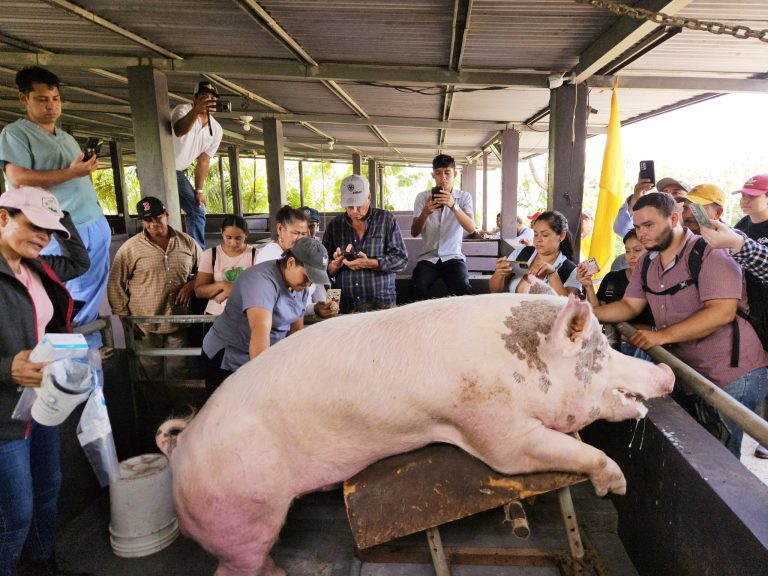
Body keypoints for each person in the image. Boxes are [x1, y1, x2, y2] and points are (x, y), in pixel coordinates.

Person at [592, 192, 768, 459]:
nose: (641, 234)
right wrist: (590, 314)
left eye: (649, 225)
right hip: (688, 370)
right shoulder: (648, 261)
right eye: (638, 227)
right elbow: (630, 305)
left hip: (731, 373)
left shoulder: (710, 251)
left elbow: (721, 312)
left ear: (674, 218)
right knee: (693, 451)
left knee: (719, 460)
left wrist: (660, 336)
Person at [0, 187, 90, 576]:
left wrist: (58, 212)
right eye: (35, 225)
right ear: (3, 218)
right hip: (4, 415)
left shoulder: (36, 266)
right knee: (15, 513)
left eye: (49, 231)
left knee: (48, 489)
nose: (43, 237)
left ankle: (42, 566)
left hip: (41, 402)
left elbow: (80, 259)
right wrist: (6, 368)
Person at [0, 66, 111, 349]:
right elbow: (18, 179)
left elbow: (73, 174)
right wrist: (72, 173)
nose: (51, 106)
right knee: (65, 292)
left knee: (92, 293)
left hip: (92, 221)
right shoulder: (15, 134)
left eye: (55, 98)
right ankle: (73, 350)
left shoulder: (65, 136)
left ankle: (90, 344)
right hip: (56, 229)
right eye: (41, 99)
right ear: (24, 99)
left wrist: (83, 169)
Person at [201, 236, 330, 395]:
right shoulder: (260, 280)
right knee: (227, 412)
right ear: (290, 263)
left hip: (264, 357)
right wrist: (263, 381)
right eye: (308, 276)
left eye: (313, 280)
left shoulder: (299, 286)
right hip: (229, 357)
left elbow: (296, 329)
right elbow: (260, 328)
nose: (309, 284)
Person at [107, 197, 202, 382]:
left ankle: (181, 410)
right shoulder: (130, 249)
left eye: (158, 217)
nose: (153, 224)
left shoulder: (187, 243)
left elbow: (207, 270)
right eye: (148, 220)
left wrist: (192, 284)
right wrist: (125, 317)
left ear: (166, 214)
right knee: (150, 372)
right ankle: (156, 410)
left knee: (179, 370)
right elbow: (115, 283)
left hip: (178, 319)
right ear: (142, 222)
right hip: (144, 323)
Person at [323, 175, 408, 313]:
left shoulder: (386, 220)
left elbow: (401, 260)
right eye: (349, 206)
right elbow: (322, 268)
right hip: (346, 305)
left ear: (369, 198)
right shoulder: (334, 225)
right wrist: (333, 266)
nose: (354, 210)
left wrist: (370, 263)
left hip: (381, 304)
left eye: (359, 204)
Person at [732, 174, 768, 459]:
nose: (745, 200)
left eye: (752, 195)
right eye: (743, 195)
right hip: (751, 313)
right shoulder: (742, 225)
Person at [576, 229, 655, 357]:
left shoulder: (658, 282)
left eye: (637, 250)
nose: (631, 256)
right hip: (613, 350)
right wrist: (588, 286)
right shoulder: (612, 278)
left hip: (649, 352)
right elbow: (599, 312)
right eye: (627, 251)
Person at [410, 154, 475, 300]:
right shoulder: (422, 197)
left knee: (463, 288)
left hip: (453, 257)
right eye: (438, 173)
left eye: (447, 173)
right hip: (428, 258)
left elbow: (471, 228)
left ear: (455, 174)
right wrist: (425, 213)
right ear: (433, 175)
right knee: (416, 287)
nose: (443, 177)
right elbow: (414, 232)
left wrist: (454, 206)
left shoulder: (464, 197)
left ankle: (464, 321)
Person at [171, 80, 224, 250]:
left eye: (211, 98)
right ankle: (196, 253)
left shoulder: (216, 129)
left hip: (178, 172)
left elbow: (204, 160)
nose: (208, 100)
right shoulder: (183, 110)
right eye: (203, 97)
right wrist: (196, 110)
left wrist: (198, 190)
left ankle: (196, 254)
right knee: (160, 212)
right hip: (161, 166)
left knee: (198, 209)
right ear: (194, 98)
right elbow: (179, 130)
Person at [259, 205, 336, 319]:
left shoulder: (301, 254)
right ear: (280, 229)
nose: (300, 239)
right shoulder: (272, 256)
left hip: (301, 319)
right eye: (295, 233)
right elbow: (282, 308)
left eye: (304, 234)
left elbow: (302, 301)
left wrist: (318, 307)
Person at [489, 210, 577, 296]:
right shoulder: (522, 253)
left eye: (545, 235)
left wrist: (553, 274)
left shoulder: (570, 270)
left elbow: (568, 304)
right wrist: (499, 273)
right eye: (535, 234)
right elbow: (495, 291)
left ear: (561, 236)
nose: (538, 240)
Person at [194, 215, 257, 316]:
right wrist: (223, 285)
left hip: (246, 315)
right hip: (216, 315)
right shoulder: (211, 254)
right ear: (221, 232)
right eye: (228, 237)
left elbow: (262, 288)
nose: (233, 243)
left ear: (246, 234)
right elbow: (199, 292)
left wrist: (231, 290)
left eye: (238, 238)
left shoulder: (256, 255)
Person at [613, 176, 691, 237]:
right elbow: (622, 229)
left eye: (676, 192)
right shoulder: (651, 225)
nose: (669, 196)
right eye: (664, 193)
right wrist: (636, 197)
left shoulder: (698, 226)